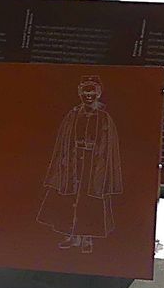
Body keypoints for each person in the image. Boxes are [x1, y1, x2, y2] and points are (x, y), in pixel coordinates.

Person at [38, 76, 123, 252]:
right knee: (71, 197)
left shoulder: (104, 118)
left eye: (92, 92)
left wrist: (101, 164)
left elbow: (109, 145)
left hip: (94, 163)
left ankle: (87, 239)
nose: (88, 96)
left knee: (90, 198)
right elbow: (64, 140)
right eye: (85, 93)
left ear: (98, 94)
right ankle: (73, 236)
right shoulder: (73, 115)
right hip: (74, 161)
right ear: (80, 94)